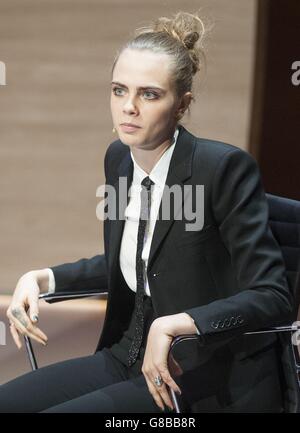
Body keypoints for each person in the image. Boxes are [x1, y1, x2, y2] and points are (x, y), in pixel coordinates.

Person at [0, 10, 293, 413]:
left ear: (181, 104)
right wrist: (42, 278)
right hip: (129, 355)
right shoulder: (119, 158)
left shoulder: (222, 168)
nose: (129, 108)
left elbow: (272, 296)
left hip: (206, 371)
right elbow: (138, 262)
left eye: (149, 94)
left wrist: (175, 323)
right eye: (119, 90)